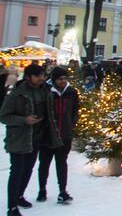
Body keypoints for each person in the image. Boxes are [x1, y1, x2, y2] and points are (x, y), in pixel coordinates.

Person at [0, 64, 61, 216]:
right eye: (37, 76)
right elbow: (4, 116)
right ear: (28, 77)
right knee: (17, 171)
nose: (41, 78)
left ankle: (19, 195)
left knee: (28, 169)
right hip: (20, 139)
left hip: (37, 137)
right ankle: (12, 207)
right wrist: (24, 120)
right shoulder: (17, 94)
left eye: (42, 75)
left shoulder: (45, 91)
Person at [37, 67, 78, 204]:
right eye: (60, 79)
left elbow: (75, 111)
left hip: (64, 135)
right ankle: (42, 189)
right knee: (44, 163)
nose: (63, 81)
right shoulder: (46, 91)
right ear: (54, 80)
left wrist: (71, 125)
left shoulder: (71, 92)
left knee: (62, 163)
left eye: (65, 78)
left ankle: (62, 191)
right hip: (47, 135)